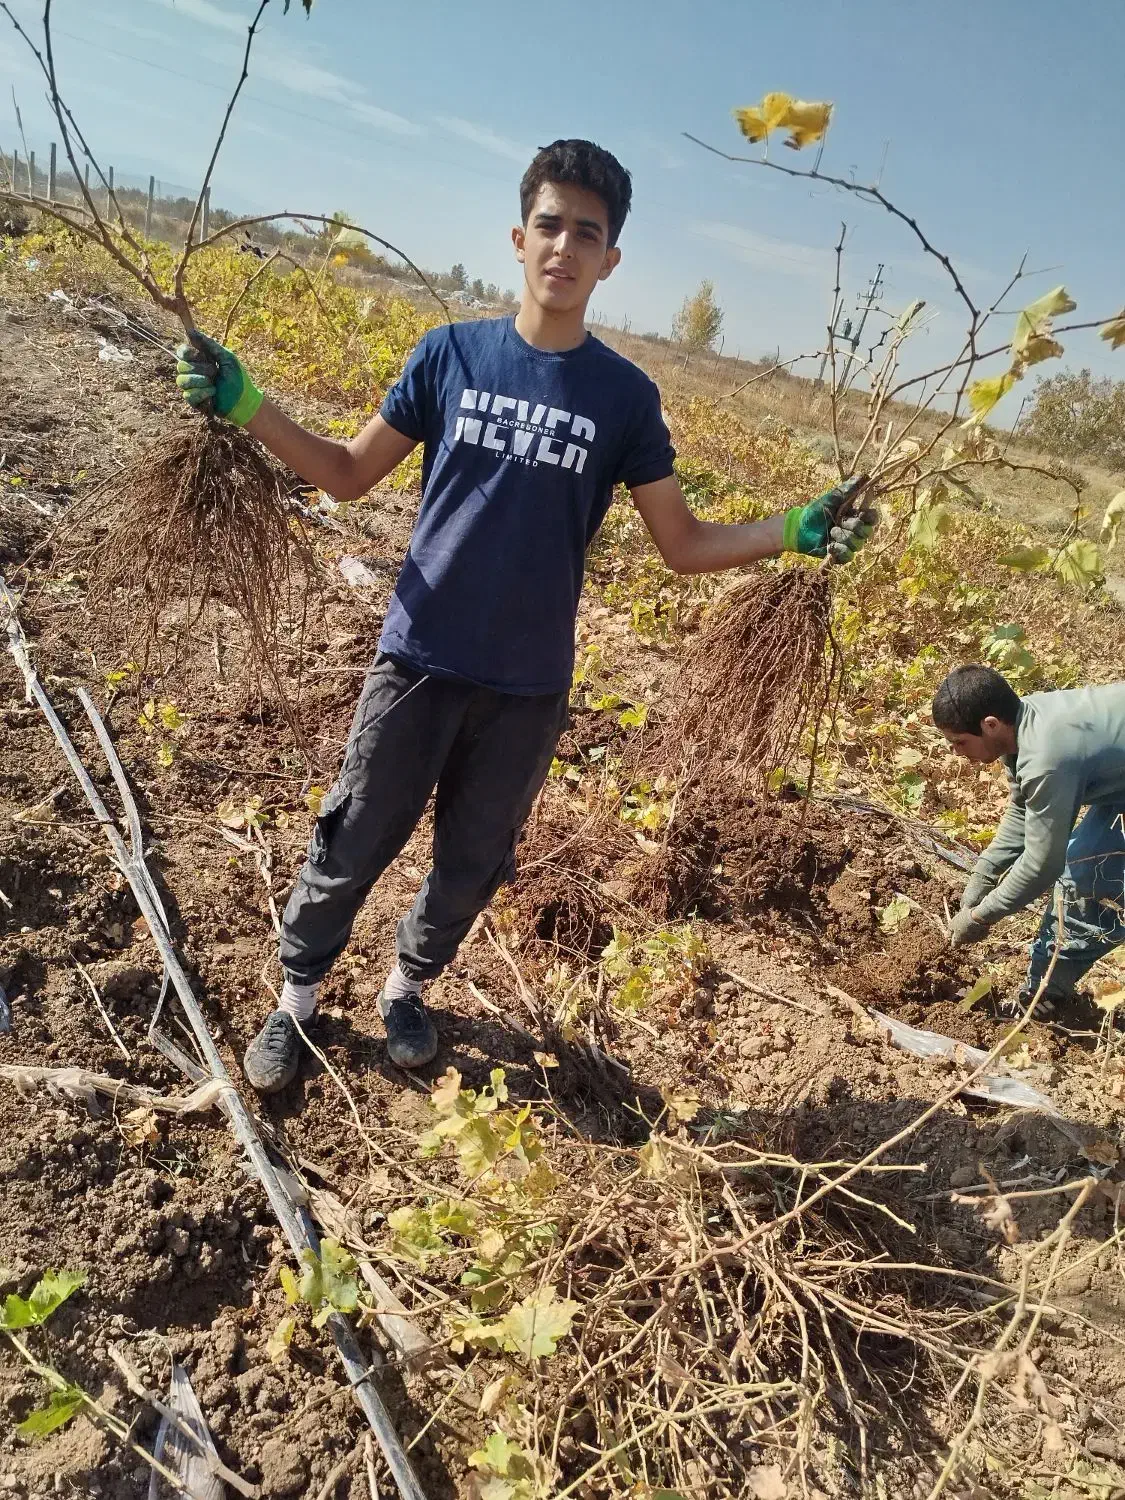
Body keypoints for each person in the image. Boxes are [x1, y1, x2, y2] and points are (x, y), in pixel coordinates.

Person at [176, 139, 878, 1093]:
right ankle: (296, 997)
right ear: (519, 237)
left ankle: (406, 989)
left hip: (528, 684)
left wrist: (789, 529)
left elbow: (680, 542)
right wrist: (249, 404)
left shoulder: (624, 398)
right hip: (418, 658)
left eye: (586, 232)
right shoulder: (451, 354)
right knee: (354, 839)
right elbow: (346, 475)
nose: (564, 246)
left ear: (609, 259)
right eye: (549, 224)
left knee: (472, 862)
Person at [933, 664, 1125, 1007]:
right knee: (1086, 864)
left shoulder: (1047, 758)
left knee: (1086, 878)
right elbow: (1023, 809)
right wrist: (986, 870)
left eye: (960, 742)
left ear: (989, 725)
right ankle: (1044, 988)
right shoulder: (1022, 722)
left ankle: (1043, 997)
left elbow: (1042, 865)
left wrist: (980, 916)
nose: (956, 752)